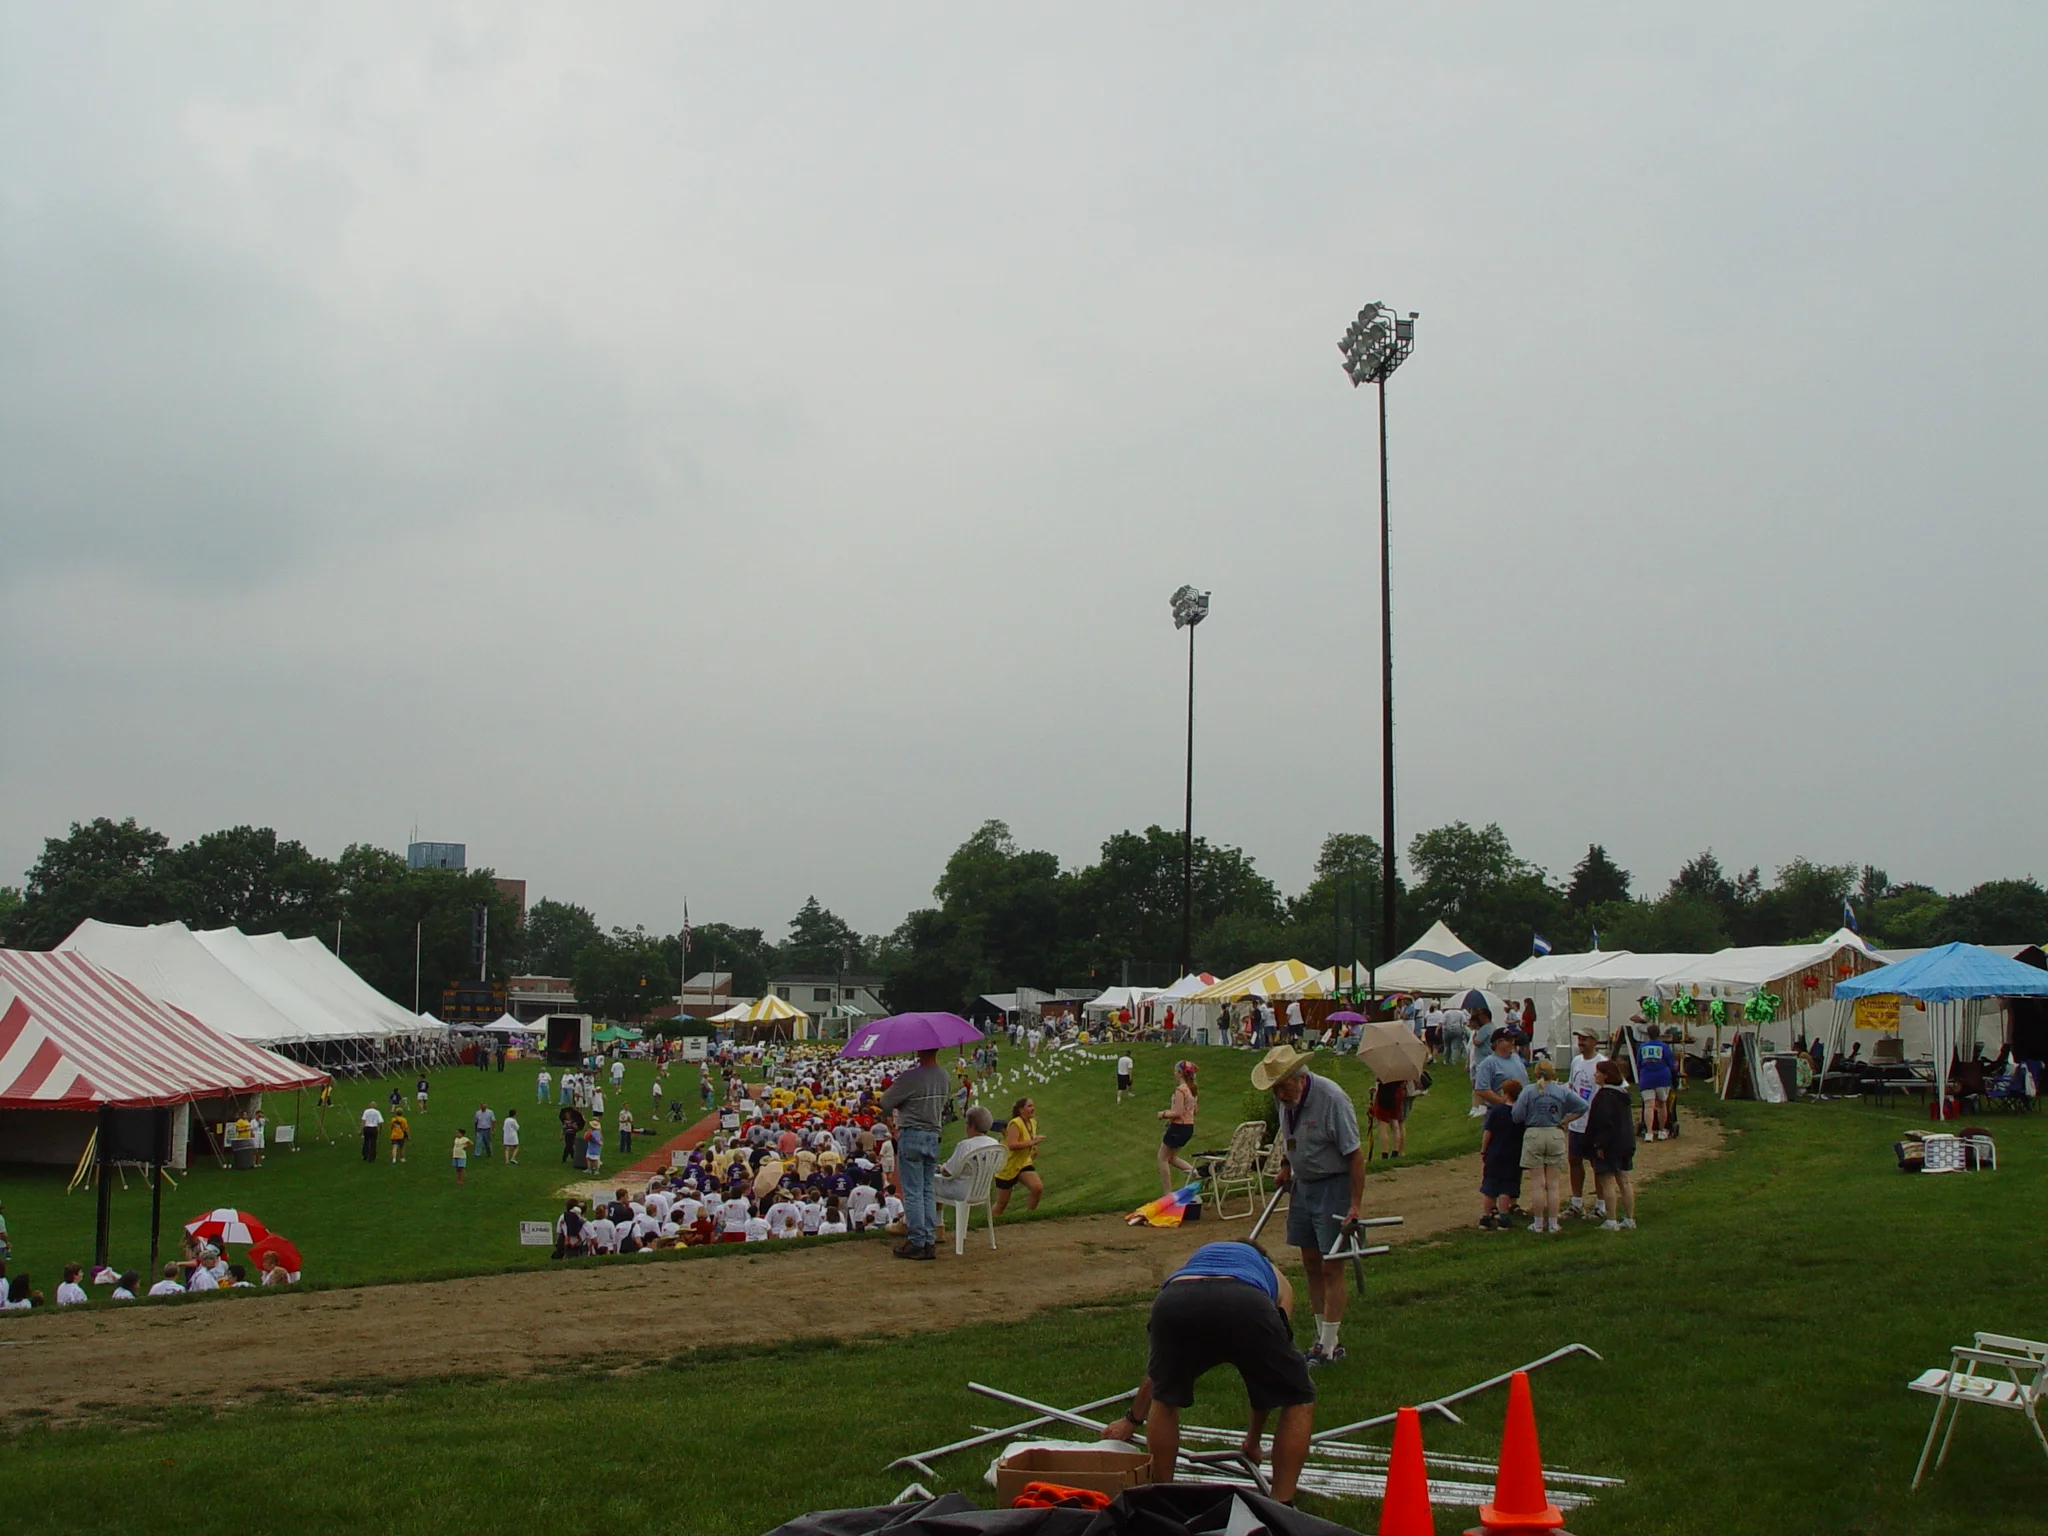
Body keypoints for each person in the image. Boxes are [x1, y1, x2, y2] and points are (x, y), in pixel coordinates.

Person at [1098, 1239, 1315, 1503]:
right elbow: (1269, 1377)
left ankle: (1161, 1496)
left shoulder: (1196, 1264)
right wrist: (1253, 1441)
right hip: (1246, 1302)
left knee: (1165, 1399)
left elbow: (1158, 1375)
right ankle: (1281, 1504)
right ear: (1265, 1258)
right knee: (1298, 1397)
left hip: (1175, 1301)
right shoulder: (1275, 1275)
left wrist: (1131, 1421)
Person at [1253, 1045, 1364, 1368]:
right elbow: (1290, 1134)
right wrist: (1287, 1165)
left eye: (1283, 1086)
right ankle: (1322, 1341)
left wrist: (1355, 1204)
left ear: (1300, 1078)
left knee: (1332, 1264)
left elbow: (1355, 1156)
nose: (1279, 1093)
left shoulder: (1332, 1099)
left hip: (1334, 1184)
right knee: (1310, 1261)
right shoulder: (1283, 1098)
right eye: (1275, 1088)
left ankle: (1330, 1347)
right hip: (1302, 1186)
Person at [878, 1046, 951, 1261]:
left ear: (919, 1050)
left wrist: (902, 1103)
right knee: (927, 1189)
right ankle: (929, 1240)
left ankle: (917, 1241)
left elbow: (885, 1102)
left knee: (913, 1191)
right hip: (933, 1135)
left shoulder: (910, 1077)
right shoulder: (943, 1076)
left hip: (913, 1135)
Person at [1512, 1060, 1577, 1233]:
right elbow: (1582, 1106)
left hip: (1534, 1134)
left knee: (1537, 1184)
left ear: (1535, 1074)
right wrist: (1566, 1120)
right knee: (1553, 1184)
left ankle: (1538, 1223)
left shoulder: (1528, 1091)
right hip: (1555, 1133)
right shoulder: (1561, 1090)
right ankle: (1554, 1223)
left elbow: (1516, 1116)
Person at [1585, 1059, 1638, 1229]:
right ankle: (1629, 1219)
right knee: (1624, 1180)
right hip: (1625, 1142)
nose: (1595, 1075)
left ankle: (1611, 1219)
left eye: (1598, 1072)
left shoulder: (1604, 1097)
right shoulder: (1622, 1095)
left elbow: (1603, 1123)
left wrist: (1599, 1145)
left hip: (1609, 1145)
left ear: (1606, 1076)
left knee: (1607, 1181)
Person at [1564, 1023, 1608, 1220]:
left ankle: (1601, 1205)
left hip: (1594, 1123)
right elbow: (1572, 1086)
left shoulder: (1602, 1063)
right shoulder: (1576, 1061)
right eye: (1579, 1038)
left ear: (1594, 1042)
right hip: (1576, 1122)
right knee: (1574, 1160)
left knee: (1597, 1164)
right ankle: (1576, 1202)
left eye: (1584, 1038)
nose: (1580, 1042)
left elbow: (1618, 1088)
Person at [991, 1096, 1044, 1216]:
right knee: (1002, 1204)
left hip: (1023, 1163)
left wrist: (1034, 1147)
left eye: (1033, 1106)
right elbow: (1011, 1145)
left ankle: (1029, 1216)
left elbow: (1029, 1137)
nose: (1033, 1109)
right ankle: (988, 1224)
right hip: (1007, 1166)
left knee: (1037, 1188)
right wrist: (1032, 1143)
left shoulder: (1032, 1122)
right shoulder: (1015, 1123)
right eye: (1029, 1106)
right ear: (1021, 1110)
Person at [1156, 1060, 1200, 1196]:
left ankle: (1167, 1193)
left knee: (1162, 1158)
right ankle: (1196, 1174)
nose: (1174, 1074)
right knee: (1172, 1157)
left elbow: (1178, 1112)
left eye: (1175, 1071)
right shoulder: (1192, 1089)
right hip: (1188, 1127)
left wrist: (1164, 1114)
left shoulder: (1181, 1090)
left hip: (1178, 1127)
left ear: (1180, 1073)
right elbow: (1195, 1111)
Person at [1634, 1022, 1676, 1139]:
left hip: (1647, 1077)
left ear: (1648, 1034)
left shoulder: (1642, 1047)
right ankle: (1662, 1131)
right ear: (1659, 1034)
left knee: (1648, 1105)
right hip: (1662, 1078)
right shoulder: (1664, 1047)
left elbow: (1639, 1063)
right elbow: (1671, 1063)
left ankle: (1649, 1132)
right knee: (1662, 1104)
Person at [1473, 1027, 1529, 1114]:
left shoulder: (1515, 1058)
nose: (1512, 1043)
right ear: (1499, 1042)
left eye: (1513, 1040)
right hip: (1501, 1113)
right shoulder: (1488, 1063)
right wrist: (1503, 1102)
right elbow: (1481, 1089)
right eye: (1509, 1040)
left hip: (1521, 1110)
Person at [1367, 1075, 1410, 1159]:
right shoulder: (1402, 1069)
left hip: (1385, 1094)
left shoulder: (1387, 1067)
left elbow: (1379, 1078)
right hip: (1397, 1093)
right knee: (1395, 1122)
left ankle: (1384, 1153)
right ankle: (1395, 1151)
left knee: (1382, 1125)